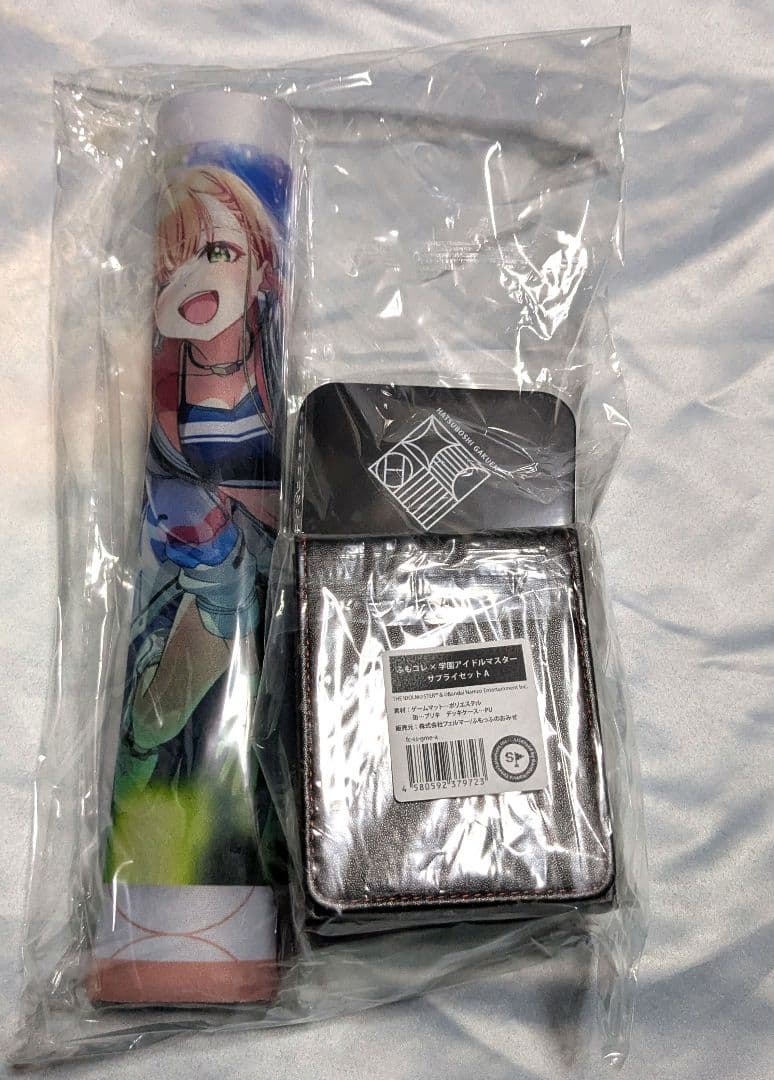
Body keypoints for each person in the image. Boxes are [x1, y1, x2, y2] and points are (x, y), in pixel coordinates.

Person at [107, 165, 283, 887]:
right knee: (158, 721)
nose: (195, 281)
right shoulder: (160, 399)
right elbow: (186, 523)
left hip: (281, 585)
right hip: (213, 579)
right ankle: (145, 861)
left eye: (217, 252)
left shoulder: (278, 364)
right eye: (169, 267)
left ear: (259, 266)